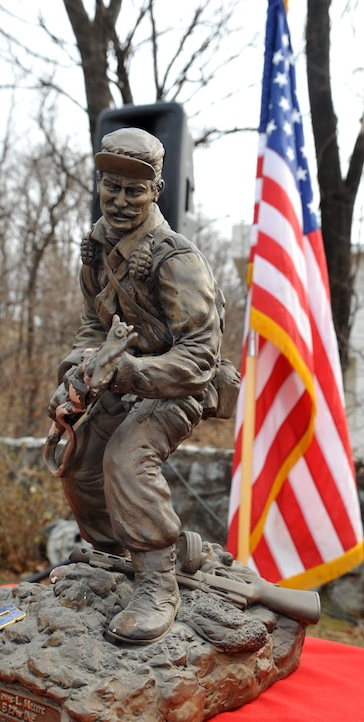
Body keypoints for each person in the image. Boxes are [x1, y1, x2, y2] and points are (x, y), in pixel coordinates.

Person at [47, 127, 225, 645]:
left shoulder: (176, 260)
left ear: (156, 190)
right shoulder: (96, 249)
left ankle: (157, 582)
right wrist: (80, 372)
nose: (120, 201)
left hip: (178, 386)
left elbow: (199, 358)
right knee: (80, 462)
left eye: (135, 189)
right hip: (122, 379)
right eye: (111, 186)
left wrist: (126, 374)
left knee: (127, 456)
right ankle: (113, 560)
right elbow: (93, 326)